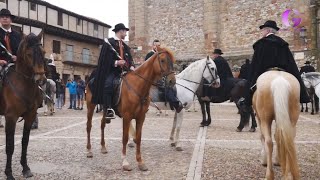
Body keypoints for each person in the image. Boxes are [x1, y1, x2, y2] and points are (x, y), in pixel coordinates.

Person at [242, 20, 310, 106]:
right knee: (296, 81)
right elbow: (290, 62)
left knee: (251, 85)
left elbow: (257, 63)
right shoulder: (282, 43)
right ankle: (303, 96)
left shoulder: (261, 43)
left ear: (268, 31)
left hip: (265, 70)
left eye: (263, 30)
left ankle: (246, 100)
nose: (262, 32)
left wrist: (253, 75)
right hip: (282, 70)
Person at [92, 23, 135, 122]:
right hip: (112, 71)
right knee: (108, 84)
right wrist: (116, 62)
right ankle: (108, 110)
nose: (126, 34)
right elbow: (104, 60)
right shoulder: (109, 43)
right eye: (125, 31)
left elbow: (130, 58)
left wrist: (132, 66)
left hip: (125, 71)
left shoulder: (125, 46)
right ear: (120, 31)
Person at [0, 9, 21, 73]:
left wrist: (18, 58)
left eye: (7, 17)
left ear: (11, 20)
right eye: (2, 17)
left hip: (16, 64)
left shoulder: (17, 35)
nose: (5, 19)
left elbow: (21, 50)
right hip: (1, 64)